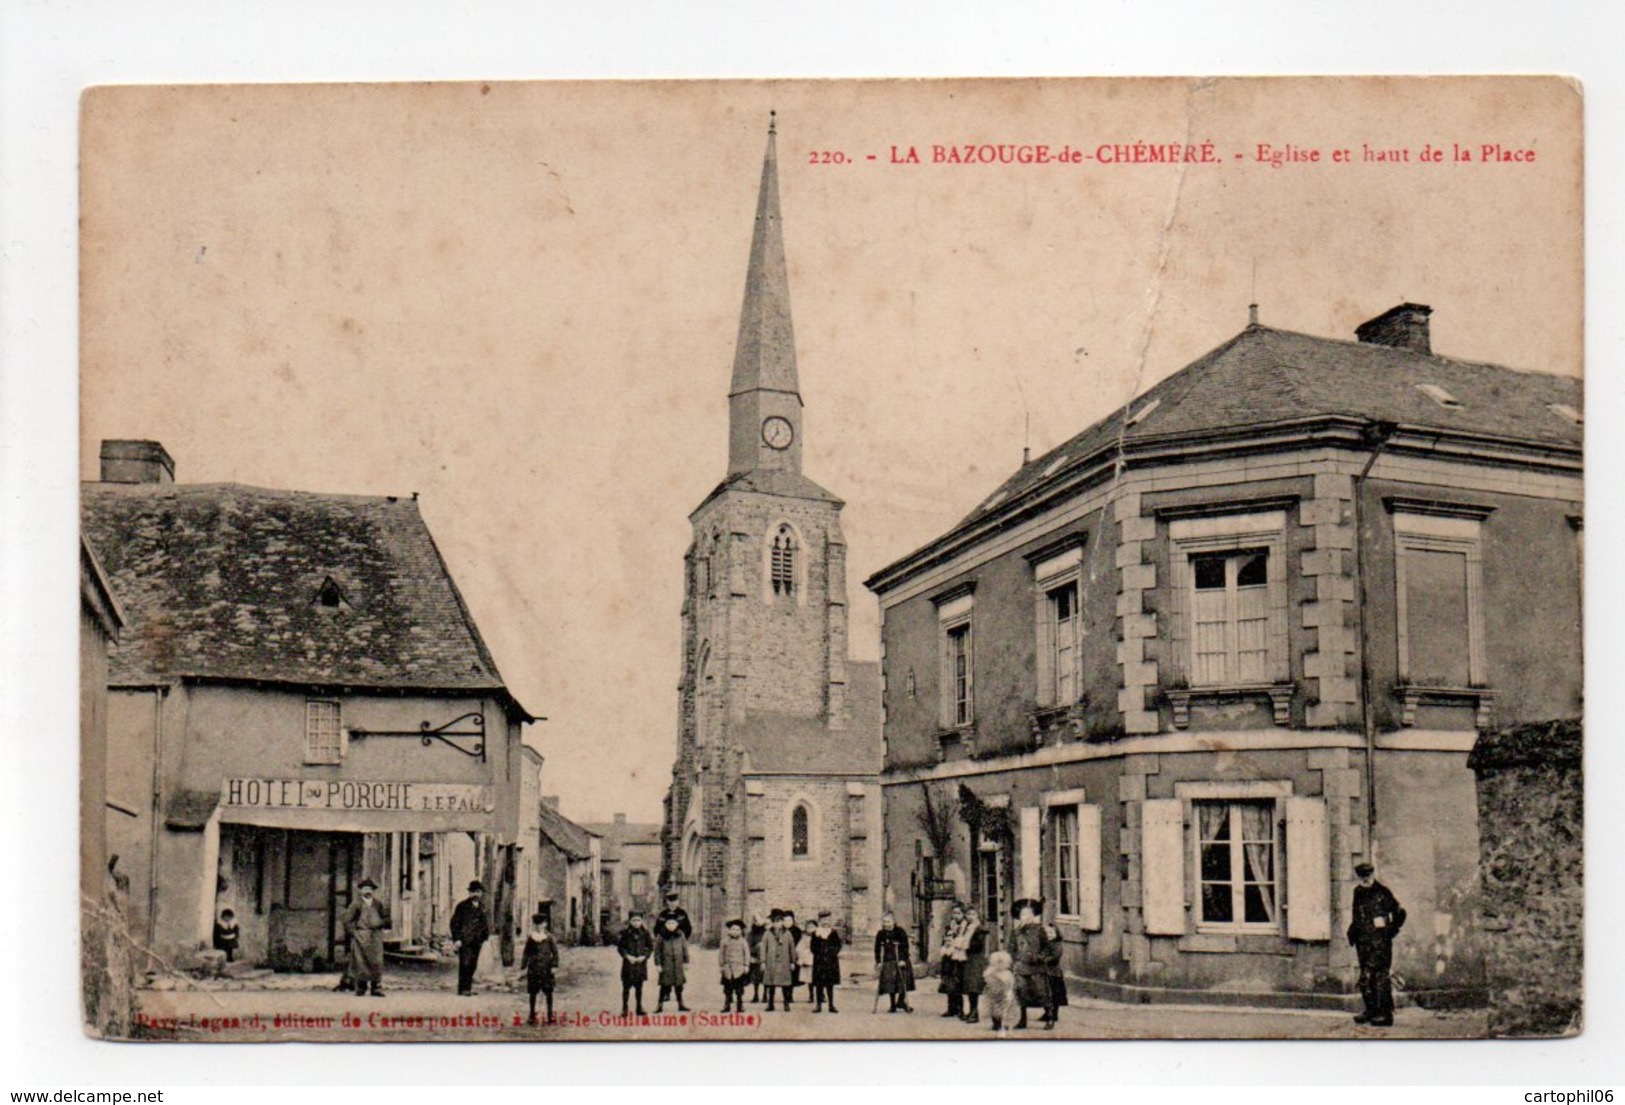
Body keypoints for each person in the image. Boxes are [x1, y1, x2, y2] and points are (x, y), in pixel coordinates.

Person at [1348, 862, 1406, 1027]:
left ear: (1373, 874)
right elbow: (1356, 916)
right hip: (1363, 943)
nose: (1365, 879)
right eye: (1362, 876)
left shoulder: (1382, 892)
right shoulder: (1358, 892)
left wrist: (1391, 931)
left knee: (1380, 978)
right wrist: (1353, 933)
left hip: (1380, 943)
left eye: (1368, 875)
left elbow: (1400, 912)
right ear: (1358, 877)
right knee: (1365, 978)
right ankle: (1370, 1010)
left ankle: (1386, 1015)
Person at [1010, 898, 1054, 1030]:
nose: (1026, 917)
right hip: (1021, 966)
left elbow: (1047, 947)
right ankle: (1022, 1020)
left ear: (1033, 916)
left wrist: (1040, 957)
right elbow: (1011, 948)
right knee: (1021, 993)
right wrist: (1013, 960)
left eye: (1028, 914)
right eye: (1023, 914)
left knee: (1041, 993)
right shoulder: (1016, 932)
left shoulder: (1039, 930)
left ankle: (1050, 1018)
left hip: (1037, 967)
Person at [342, 877, 390, 998]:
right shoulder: (356, 905)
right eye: (365, 889)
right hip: (361, 937)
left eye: (370, 889)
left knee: (376, 962)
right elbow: (347, 920)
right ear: (361, 891)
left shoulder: (378, 904)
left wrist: (381, 923)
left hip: (375, 937)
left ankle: (376, 988)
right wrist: (354, 933)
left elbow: (385, 918)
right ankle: (361, 988)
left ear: (373, 891)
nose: (368, 891)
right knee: (361, 962)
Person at [449, 880, 490, 997]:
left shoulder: (482, 907)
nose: (476, 894)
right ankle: (462, 989)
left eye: (478, 892)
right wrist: (457, 939)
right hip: (464, 940)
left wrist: (485, 936)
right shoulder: (462, 906)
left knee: (473, 964)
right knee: (465, 964)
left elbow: (484, 923)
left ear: (481, 893)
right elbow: (454, 923)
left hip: (477, 941)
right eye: (473, 892)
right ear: (469, 893)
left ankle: (468, 988)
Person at [519, 912, 559, 1025]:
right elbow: (526, 952)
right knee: (533, 992)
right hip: (533, 968)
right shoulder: (531, 938)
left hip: (546, 968)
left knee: (548, 992)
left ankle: (550, 1015)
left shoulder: (549, 938)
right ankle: (532, 1015)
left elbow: (555, 953)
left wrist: (555, 966)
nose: (538, 926)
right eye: (536, 924)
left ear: (545, 924)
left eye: (540, 924)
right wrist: (523, 966)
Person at [874, 912, 915, 1013]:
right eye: (884, 922)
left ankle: (901, 1001)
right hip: (888, 960)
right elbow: (877, 949)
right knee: (890, 983)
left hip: (900, 959)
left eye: (888, 921)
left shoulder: (900, 931)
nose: (886, 924)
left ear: (893, 922)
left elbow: (905, 946)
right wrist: (878, 961)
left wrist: (903, 959)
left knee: (903, 981)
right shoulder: (881, 934)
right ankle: (892, 1005)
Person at [957, 906, 991, 1024]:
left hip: (976, 960)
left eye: (973, 914)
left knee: (974, 987)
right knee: (968, 987)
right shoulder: (965, 928)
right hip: (967, 959)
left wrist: (962, 944)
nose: (970, 916)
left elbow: (978, 946)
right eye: (968, 914)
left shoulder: (979, 929)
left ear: (978, 916)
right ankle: (971, 1010)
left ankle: (975, 1013)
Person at [616, 911, 654, 1015]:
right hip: (628, 964)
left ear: (642, 921)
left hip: (640, 964)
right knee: (626, 987)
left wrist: (644, 956)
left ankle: (639, 1007)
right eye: (634, 920)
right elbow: (620, 947)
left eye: (638, 920)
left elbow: (650, 947)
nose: (636, 923)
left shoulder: (646, 933)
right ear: (630, 921)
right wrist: (627, 956)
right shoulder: (625, 933)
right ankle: (624, 1008)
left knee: (639, 987)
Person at [653, 912, 690, 1013]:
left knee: (679, 986)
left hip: (678, 964)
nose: (671, 925)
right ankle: (659, 1006)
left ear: (677, 924)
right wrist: (658, 964)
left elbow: (684, 949)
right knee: (664, 986)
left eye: (673, 923)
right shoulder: (661, 935)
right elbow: (657, 951)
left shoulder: (680, 934)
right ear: (665, 924)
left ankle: (681, 1004)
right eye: (668, 923)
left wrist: (686, 962)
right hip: (666, 965)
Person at [808, 911, 844, 1013]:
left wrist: (832, 952)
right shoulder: (816, 933)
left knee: (830, 984)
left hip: (831, 962)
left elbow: (838, 946)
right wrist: (819, 953)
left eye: (827, 920)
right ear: (819, 921)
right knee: (819, 984)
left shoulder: (833, 932)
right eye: (823, 920)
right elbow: (812, 947)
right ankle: (818, 1005)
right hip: (819, 962)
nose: (825, 922)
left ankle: (831, 1005)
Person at [760, 909, 796, 1011]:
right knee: (770, 984)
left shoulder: (788, 934)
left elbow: (792, 948)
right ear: (772, 922)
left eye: (779, 921)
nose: (777, 924)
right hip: (771, 962)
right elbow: (763, 948)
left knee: (785, 984)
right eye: (775, 921)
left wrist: (793, 961)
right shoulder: (767, 934)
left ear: (782, 922)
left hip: (784, 962)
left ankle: (786, 1003)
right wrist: (763, 961)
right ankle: (770, 1004)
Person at [719, 918, 752, 1012]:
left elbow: (747, 954)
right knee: (727, 988)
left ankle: (740, 1004)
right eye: (733, 929)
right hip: (727, 969)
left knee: (739, 989)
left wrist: (746, 965)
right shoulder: (724, 941)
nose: (735, 931)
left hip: (739, 969)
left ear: (741, 931)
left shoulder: (743, 942)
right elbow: (721, 954)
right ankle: (727, 1004)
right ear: (729, 930)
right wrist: (721, 966)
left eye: (737, 930)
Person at [938, 902, 965, 1018]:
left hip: (958, 957)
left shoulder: (965, 926)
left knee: (957, 983)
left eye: (958, 913)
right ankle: (951, 1008)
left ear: (963, 914)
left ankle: (960, 1009)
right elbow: (944, 940)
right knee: (948, 982)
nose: (956, 915)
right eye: (954, 913)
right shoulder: (950, 925)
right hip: (948, 957)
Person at [982, 950, 1019, 1035]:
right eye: (998, 962)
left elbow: (1011, 983)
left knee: (1005, 1009)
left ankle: (1003, 1023)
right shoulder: (990, 971)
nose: (1000, 965)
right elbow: (986, 979)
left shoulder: (1007, 973)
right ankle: (996, 1023)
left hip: (1004, 993)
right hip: (993, 993)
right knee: (993, 1008)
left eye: (1003, 963)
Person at [1039, 919, 1068, 1029]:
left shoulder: (1057, 944)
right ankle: (1047, 1013)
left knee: (1054, 995)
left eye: (1051, 933)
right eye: (1046, 933)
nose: (1049, 935)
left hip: (1053, 972)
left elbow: (1055, 957)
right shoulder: (1044, 944)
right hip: (1044, 971)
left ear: (1056, 933)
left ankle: (1054, 1014)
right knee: (1044, 994)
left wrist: (1044, 959)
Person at [784, 909, 805, 1000]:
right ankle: (786, 994)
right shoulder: (781, 930)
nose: (787, 922)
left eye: (789, 920)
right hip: (783, 956)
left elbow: (799, 943)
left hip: (793, 955)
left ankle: (790, 994)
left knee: (792, 975)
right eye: (785, 920)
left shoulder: (797, 931)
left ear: (793, 920)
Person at [747, 913, 767, 1004]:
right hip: (755, 958)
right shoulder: (751, 933)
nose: (757, 922)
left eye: (759, 920)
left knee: (766, 977)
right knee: (756, 978)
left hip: (766, 958)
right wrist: (756, 947)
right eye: (755, 920)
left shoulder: (767, 932)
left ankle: (765, 995)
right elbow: (748, 947)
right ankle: (756, 994)